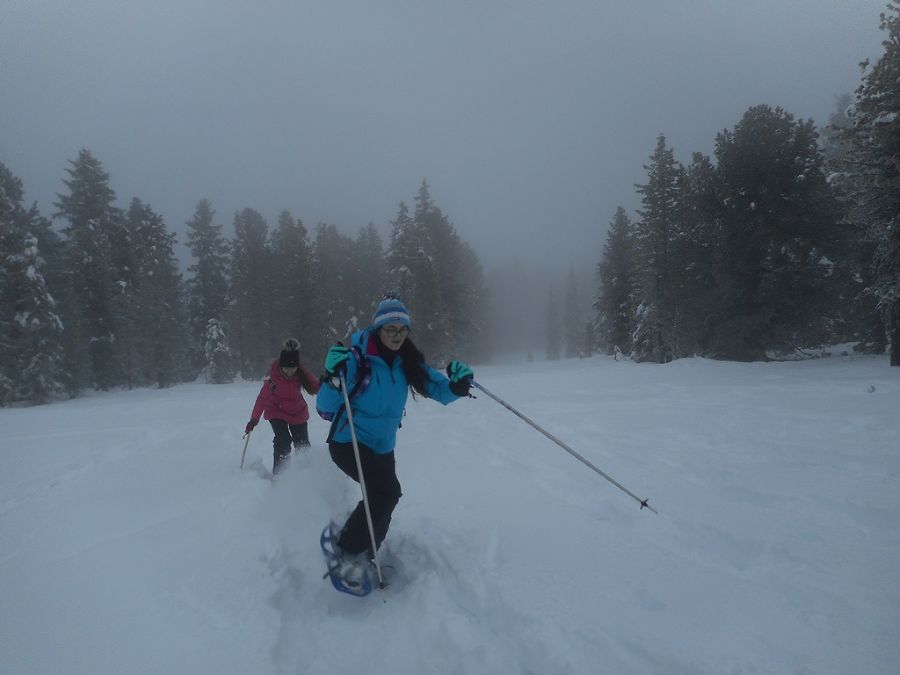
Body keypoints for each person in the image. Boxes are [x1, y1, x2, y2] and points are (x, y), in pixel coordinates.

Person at [316, 296, 474, 569]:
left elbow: (439, 389)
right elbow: (323, 407)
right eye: (391, 329)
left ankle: (368, 552)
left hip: (382, 445)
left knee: (385, 499)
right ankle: (345, 552)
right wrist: (330, 377)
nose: (397, 336)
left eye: (403, 330)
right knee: (386, 492)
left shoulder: (407, 361)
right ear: (378, 329)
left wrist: (459, 386)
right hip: (348, 442)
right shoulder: (356, 360)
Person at [245, 338, 320, 474]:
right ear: (281, 366)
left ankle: (307, 474)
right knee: (283, 440)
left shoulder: (301, 373)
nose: (290, 372)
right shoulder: (272, 379)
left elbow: (315, 386)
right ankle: (280, 473)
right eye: (286, 368)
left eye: (293, 369)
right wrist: (254, 420)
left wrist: (327, 380)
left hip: (298, 411)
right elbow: (262, 399)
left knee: (302, 444)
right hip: (277, 411)